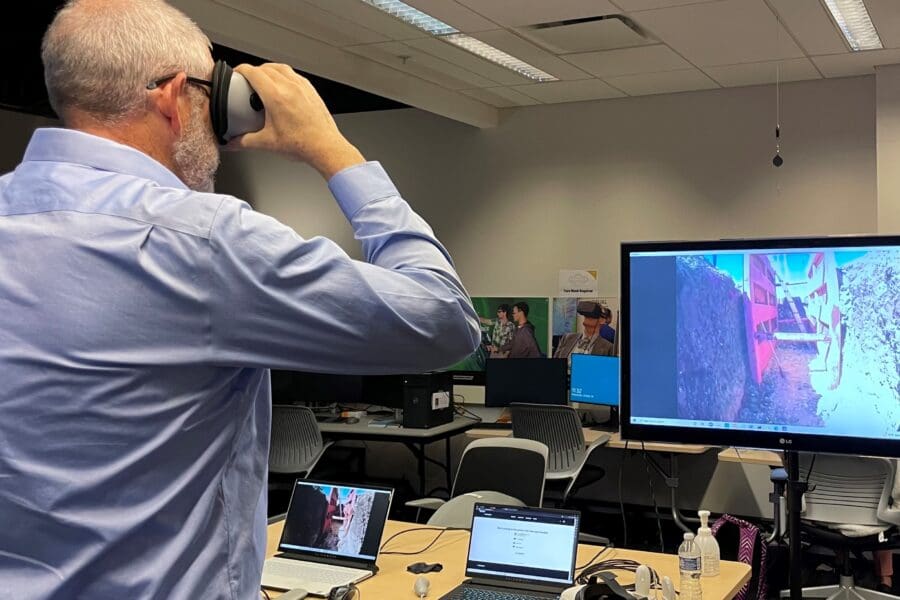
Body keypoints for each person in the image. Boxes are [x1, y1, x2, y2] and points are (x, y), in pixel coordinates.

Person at [0, 1, 480, 598]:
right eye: (212, 94)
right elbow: (446, 319)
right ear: (176, 97)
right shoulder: (203, 242)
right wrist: (331, 149)